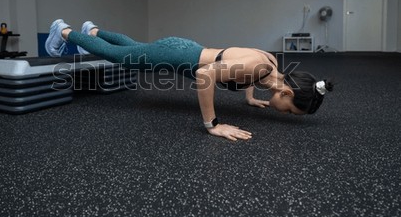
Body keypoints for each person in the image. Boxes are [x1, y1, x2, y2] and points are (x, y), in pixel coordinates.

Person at [46, 19, 333, 141]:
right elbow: (206, 75)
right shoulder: (259, 66)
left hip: (184, 49)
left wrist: (249, 97)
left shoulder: (270, 66)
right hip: (181, 57)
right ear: (286, 93)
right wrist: (213, 125)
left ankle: (92, 32)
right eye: (293, 111)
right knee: (119, 56)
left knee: (134, 47)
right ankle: (64, 32)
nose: (288, 115)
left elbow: (242, 72)